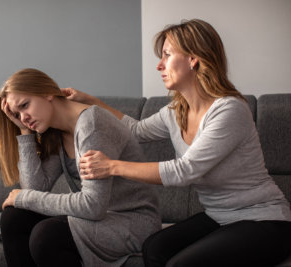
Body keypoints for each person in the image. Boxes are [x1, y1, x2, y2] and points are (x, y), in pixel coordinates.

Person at [62, 19, 291, 267]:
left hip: (265, 222)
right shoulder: (176, 111)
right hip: (218, 217)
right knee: (154, 248)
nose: (159, 65)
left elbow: (184, 170)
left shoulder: (230, 110)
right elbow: (135, 130)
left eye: (167, 55)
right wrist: (90, 101)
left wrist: (111, 166)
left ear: (193, 59)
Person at [0, 68, 161, 267]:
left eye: (25, 105)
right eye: (17, 114)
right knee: (14, 218)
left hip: (132, 223)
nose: (24, 117)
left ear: (47, 92)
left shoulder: (91, 125)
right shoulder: (57, 132)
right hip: (99, 219)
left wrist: (24, 197)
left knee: (46, 236)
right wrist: (24, 133)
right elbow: (35, 188)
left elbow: (93, 206)